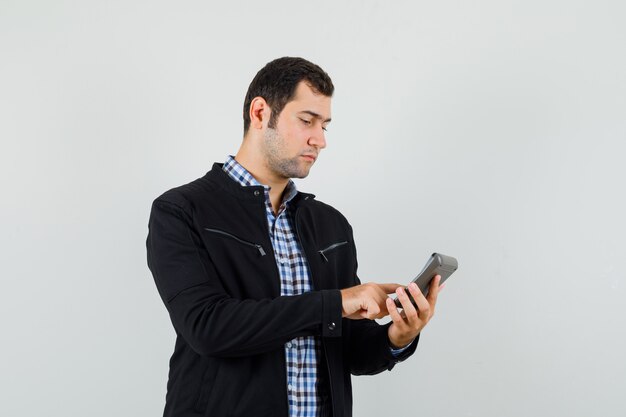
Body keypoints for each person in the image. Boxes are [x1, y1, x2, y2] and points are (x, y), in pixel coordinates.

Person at [146, 57, 441, 417]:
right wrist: (335, 302)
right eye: (306, 121)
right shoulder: (181, 210)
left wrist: (398, 336)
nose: (319, 140)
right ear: (259, 113)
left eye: (325, 126)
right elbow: (207, 327)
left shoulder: (331, 225)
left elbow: (348, 350)